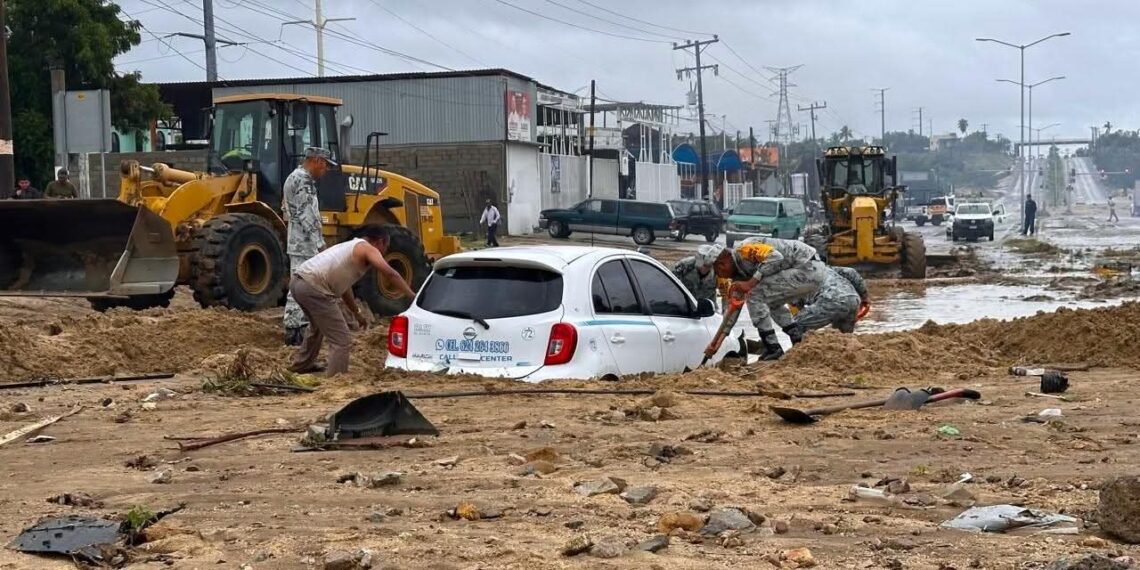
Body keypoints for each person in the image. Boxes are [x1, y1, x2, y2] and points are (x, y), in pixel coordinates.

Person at [289, 225, 417, 376]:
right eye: (386, 247)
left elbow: (344, 289)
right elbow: (390, 274)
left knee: (317, 327)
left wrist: (357, 313)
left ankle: (302, 365)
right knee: (341, 340)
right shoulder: (368, 248)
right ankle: (336, 380)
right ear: (380, 242)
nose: (384, 252)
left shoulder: (349, 248)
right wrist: (412, 296)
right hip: (313, 286)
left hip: (298, 283)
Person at [712, 236, 827, 361]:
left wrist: (751, 283)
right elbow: (734, 309)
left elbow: (775, 257)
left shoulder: (744, 249)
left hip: (808, 267)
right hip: (806, 273)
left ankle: (772, 347)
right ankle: (797, 338)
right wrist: (719, 341)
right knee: (770, 300)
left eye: (718, 272)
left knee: (755, 294)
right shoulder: (739, 275)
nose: (722, 277)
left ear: (722, 264)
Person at [282, 147, 334, 346]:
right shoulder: (303, 181)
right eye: (326, 165)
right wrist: (321, 245)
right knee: (303, 287)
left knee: (298, 286)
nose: (326, 169)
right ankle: (297, 333)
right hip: (305, 245)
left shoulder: (293, 178)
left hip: (298, 242)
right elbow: (307, 214)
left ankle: (296, 331)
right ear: (318, 161)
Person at [793, 265, 870, 335]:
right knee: (844, 337)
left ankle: (798, 349)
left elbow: (797, 304)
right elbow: (850, 272)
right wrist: (865, 297)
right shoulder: (827, 269)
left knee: (794, 326)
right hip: (853, 300)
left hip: (830, 300)